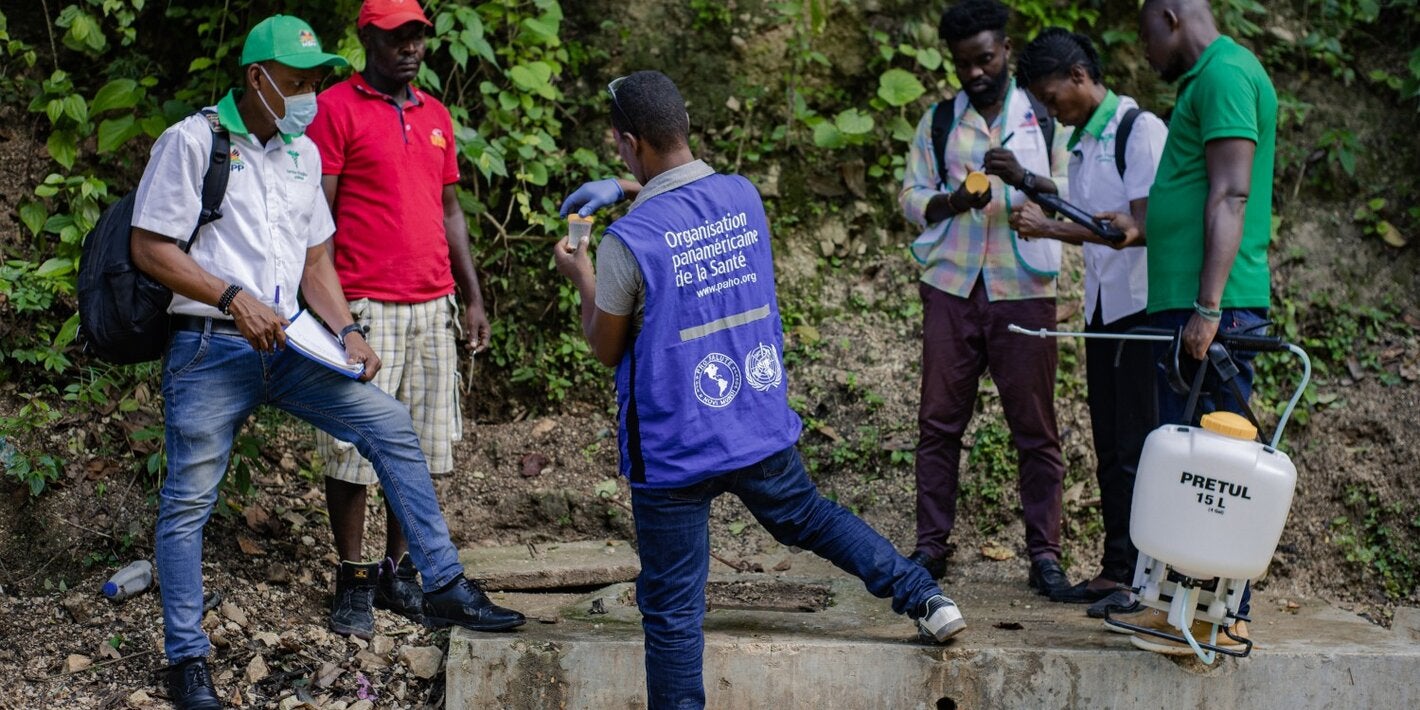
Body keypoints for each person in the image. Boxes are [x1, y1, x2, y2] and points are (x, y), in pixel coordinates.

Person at [129, 16, 523, 710]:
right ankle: (186, 659)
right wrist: (231, 297)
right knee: (189, 499)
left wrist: (347, 330)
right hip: (211, 345)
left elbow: (316, 259)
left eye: (316, 80)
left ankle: (444, 586)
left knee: (391, 426)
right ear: (258, 79)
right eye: (298, 81)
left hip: (293, 346)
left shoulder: (301, 153)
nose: (311, 93)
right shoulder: (194, 141)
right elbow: (150, 247)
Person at [553, 70, 966, 710]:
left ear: (628, 142)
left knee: (671, 605)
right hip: (751, 416)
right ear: (683, 126)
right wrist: (631, 186)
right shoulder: (743, 196)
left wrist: (581, 273)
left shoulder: (624, 242)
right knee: (810, 518)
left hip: (673, 444)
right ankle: (927, 598)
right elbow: (687, 205)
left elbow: (608, 346)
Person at [304, 0, 491, 640]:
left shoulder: (436, 115)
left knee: (420, 449)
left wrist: (472, 296)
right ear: (366, 39)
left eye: (417, 36)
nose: (410, 48)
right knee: (356, 454)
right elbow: (315, 220)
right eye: (396, 37)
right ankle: (352, 580)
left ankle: (399, 572)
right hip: (365, 307)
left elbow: (451, 212)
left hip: (432, 301)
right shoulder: (335, 108)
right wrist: (330, 309)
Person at [1098, 0, 1278, 654]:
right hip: (1186, 305)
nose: (1145, 52)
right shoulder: (1206, 81)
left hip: (1212, 310)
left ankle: (1226, 614)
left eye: (1147, 35)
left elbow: (1231, 194)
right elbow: (1194, 190)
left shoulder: (1227, 75)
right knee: (1188, 467)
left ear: (1171, 16)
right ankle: (1183, 605)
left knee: (1220, 469)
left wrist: (1207, 307)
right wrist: (1146, 226)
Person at [897, 0, 1073, 597]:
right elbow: (911, 197)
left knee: (1035, 428)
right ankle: (931, 547)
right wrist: (954, 200)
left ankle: (1045, 556)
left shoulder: (1045, 117)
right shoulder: (939, 121)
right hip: (951, 287)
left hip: (1025, 291)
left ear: (1006, 51)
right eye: (963, 63)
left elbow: (1072, 199)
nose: (975, 72)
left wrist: (1025, 177)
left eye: (986, 58)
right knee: (939, 422)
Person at [1009, 28, 1168, 616]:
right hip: (1106, 308)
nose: (1053, 112)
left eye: (1054, 99)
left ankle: (1146, 576)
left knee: (1143, 445)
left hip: (1147, 309)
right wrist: (1036, 192)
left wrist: (1049, 229)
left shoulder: (1138, 131)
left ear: (1080, 75)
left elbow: (1142, 226)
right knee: (1111, 442)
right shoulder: (1081, 145)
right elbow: (1094, 217)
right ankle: (1117, 567)